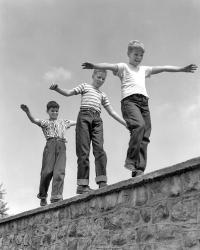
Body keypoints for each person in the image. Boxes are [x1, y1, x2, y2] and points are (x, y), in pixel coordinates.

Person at [82, 40, 198, 178]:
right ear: (129, 54)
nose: (138, 57)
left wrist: (181, 69)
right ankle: (130, 160)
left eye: (140, 55)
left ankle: (138, 169)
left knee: (145, 134)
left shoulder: (144, 69)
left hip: (144, 103)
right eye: (135, 54)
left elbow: (163, 68)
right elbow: (109, 65)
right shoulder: (123, 67)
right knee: (139, 126)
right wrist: (94, 65)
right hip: (129, 102)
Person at [50, 69, 127, 194]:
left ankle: (102, 181)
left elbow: (111, 112)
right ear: (93, 76)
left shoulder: (102, 95)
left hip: (97, 120)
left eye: (103, 79)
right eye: (99, 77)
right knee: (83, 151)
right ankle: (82, 185)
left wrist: (125, 123)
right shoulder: (85, 86)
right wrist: (57, 89)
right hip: (84, 117)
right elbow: (69, 93)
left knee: (99, 150)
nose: (100, 80)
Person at [20, 101, 76, 206]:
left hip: (61, 145)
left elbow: (77, 121)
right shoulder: (45, 122)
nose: (55, 113)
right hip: (50, 145)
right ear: (48, 111)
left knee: (59, 171)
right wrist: (28, 112)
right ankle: (43, 195)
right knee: (46, 172)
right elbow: (33, 120)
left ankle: (56, 196)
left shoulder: (64, 122)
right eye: (52, 111)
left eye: (56, 111)